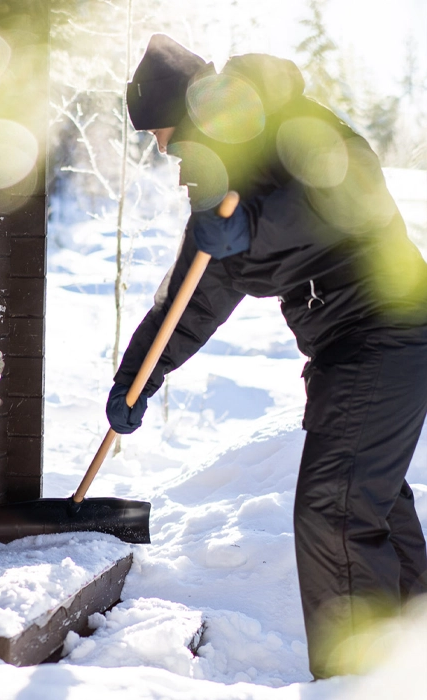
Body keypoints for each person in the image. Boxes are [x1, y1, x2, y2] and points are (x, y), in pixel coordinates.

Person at [106, 33, 427, 679]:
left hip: (388, 330)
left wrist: (252, 224)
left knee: (333, 510)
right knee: (374, 507)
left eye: (163, 131)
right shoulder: (220, 189)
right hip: (347, 348)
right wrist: (138, 377)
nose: (162, 148)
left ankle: (358, 681)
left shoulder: (290, 122)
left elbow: (350, 187)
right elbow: (191, 300)